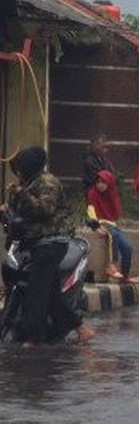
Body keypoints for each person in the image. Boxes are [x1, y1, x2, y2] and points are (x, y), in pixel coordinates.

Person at [3, 147, 95, 345]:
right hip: (29, 244)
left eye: (20, 168)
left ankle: (34, 339)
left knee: (36, 292)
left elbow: (44, 209)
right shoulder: (27, 182)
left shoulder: (48, 182)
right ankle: (81, 329)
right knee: (50, 292)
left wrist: (21, 195)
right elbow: (19, 216)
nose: (18, 172)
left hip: (50, 243)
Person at [86, 169, 137, 284]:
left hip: (112, 224)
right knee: (111, 234)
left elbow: (116, 213)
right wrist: (96, 227)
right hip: (100, 222)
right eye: (98, 182)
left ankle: (124, 277)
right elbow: (91, 211)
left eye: (103, 182)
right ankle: (111, 266)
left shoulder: (112, 194)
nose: (100, 185)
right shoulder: (92, 193)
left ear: (109, 183)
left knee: (127, 247)